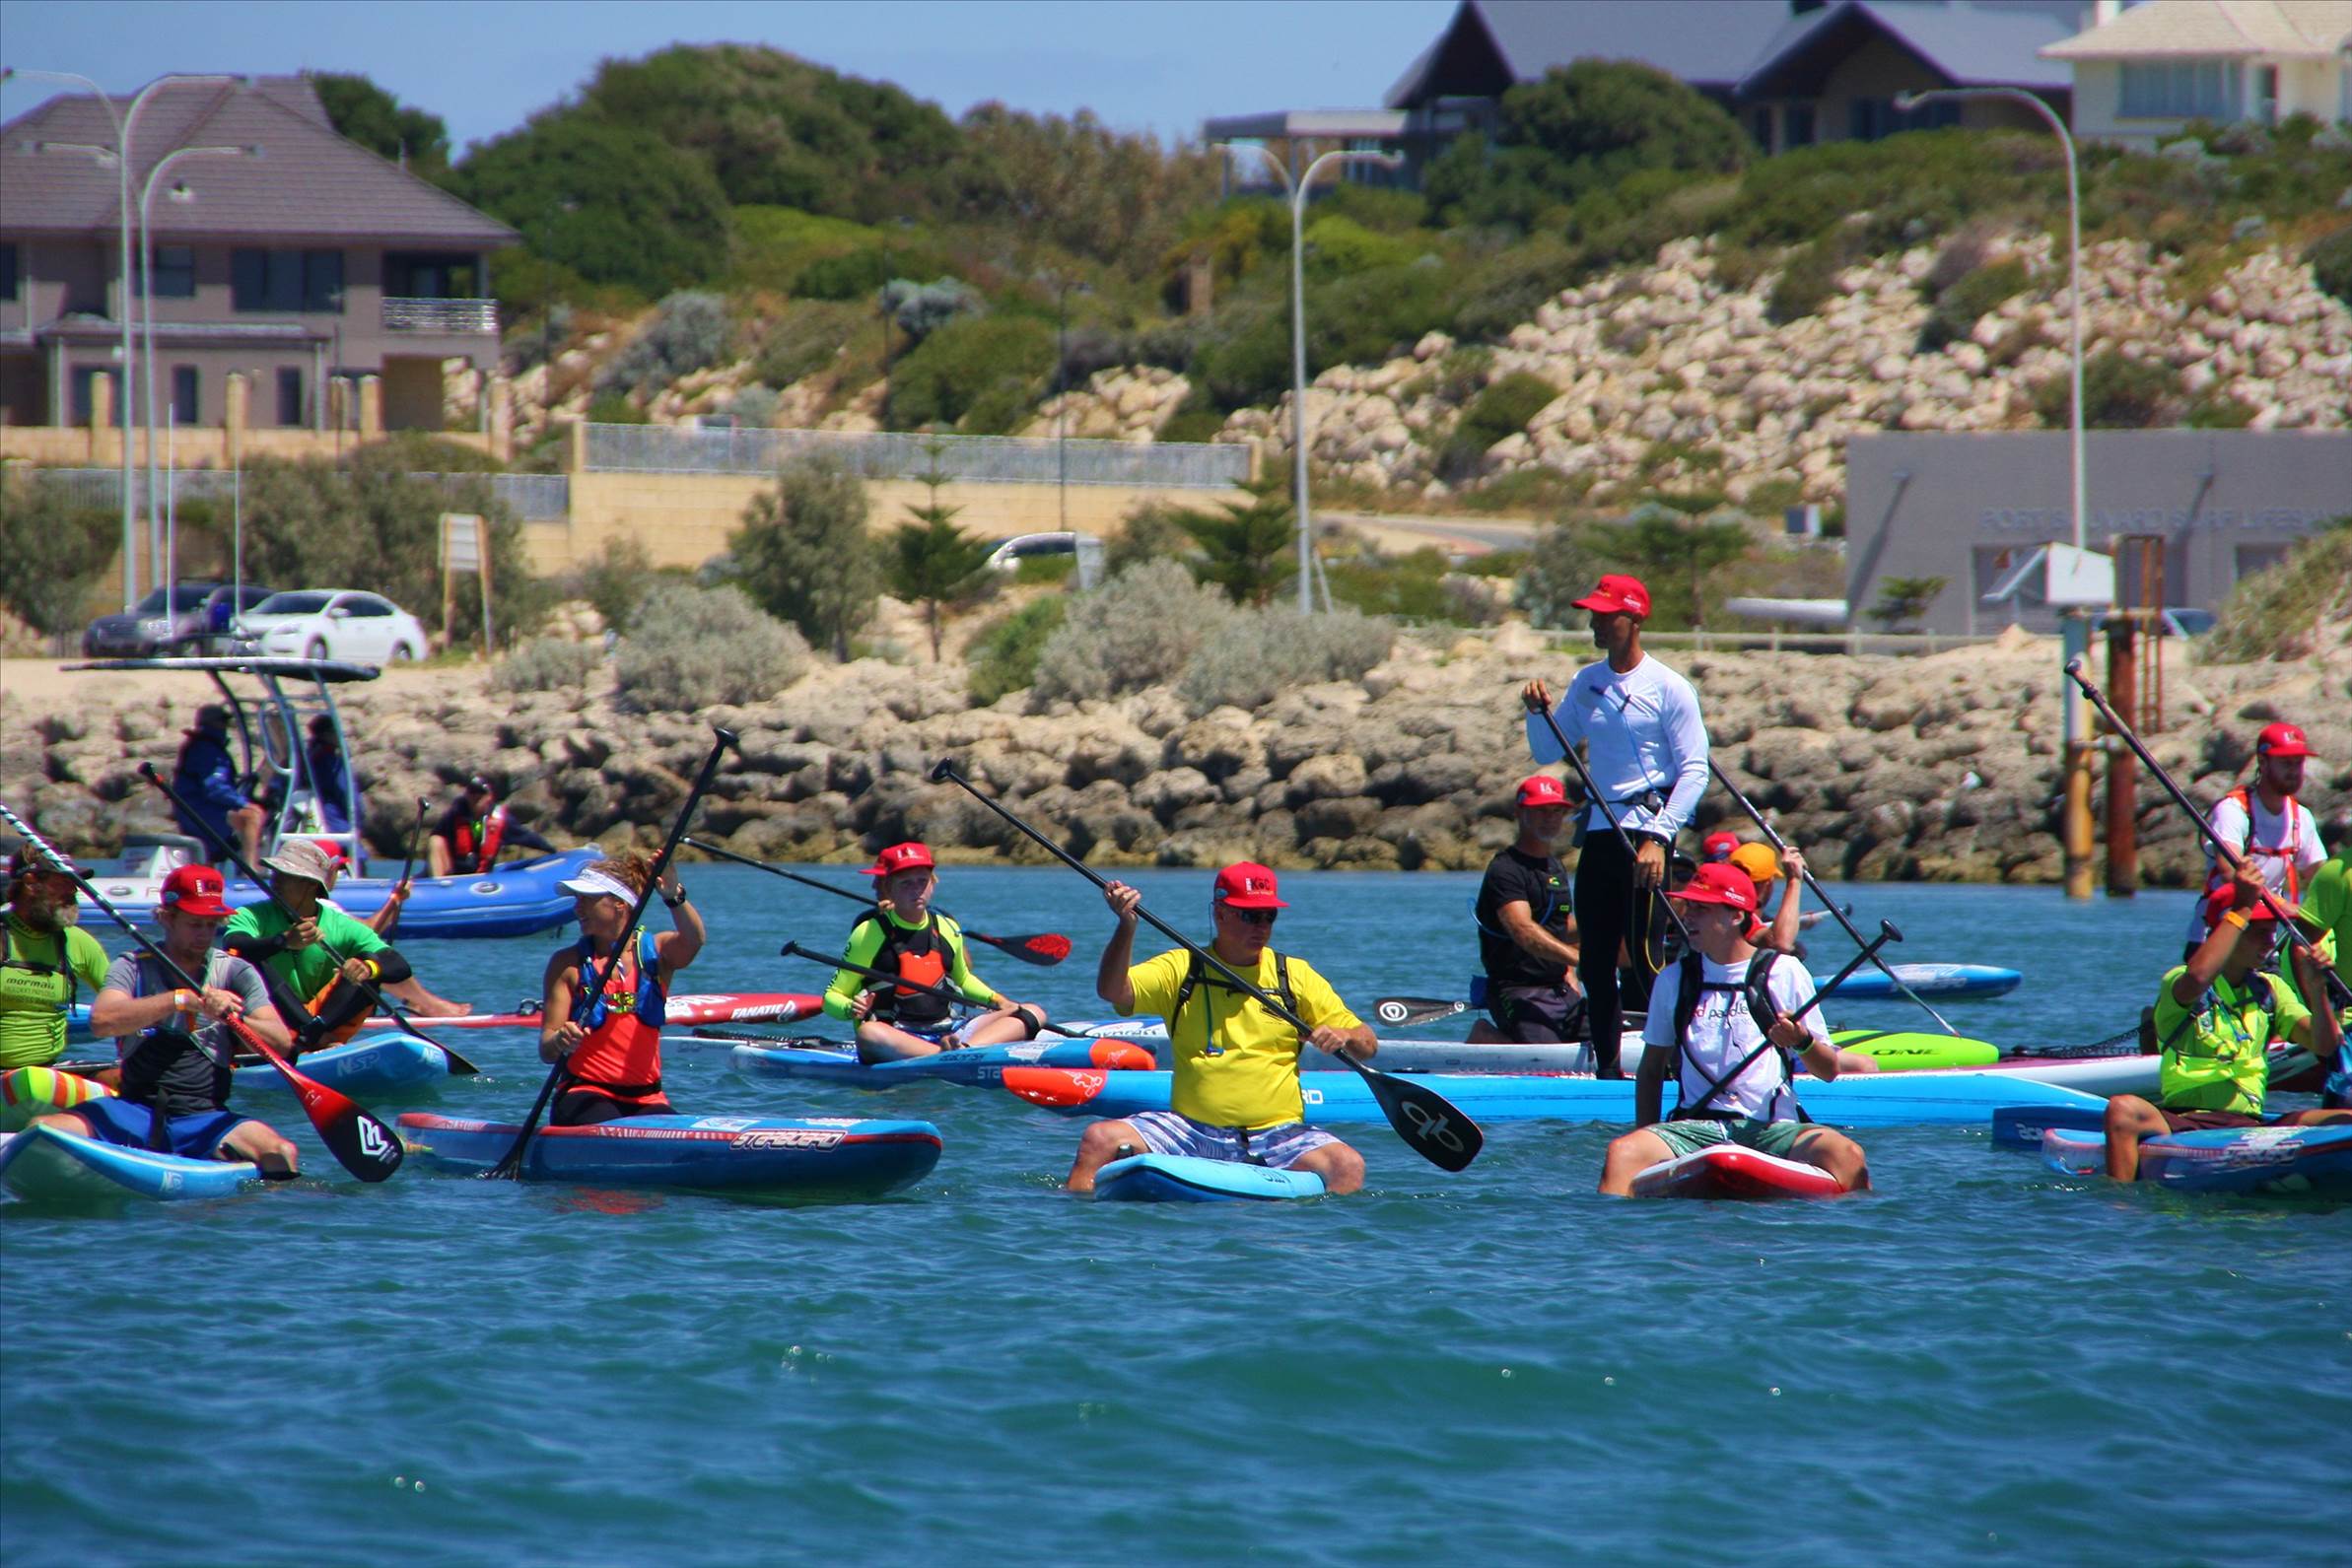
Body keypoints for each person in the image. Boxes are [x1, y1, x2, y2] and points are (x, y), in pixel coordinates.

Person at [1068, 862, 1377, 1194]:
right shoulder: (1182, 968)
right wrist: (1126, 927)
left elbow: (1368, 1044)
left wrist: (1344, 1036)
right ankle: (1077, 1217)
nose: (1261, 926)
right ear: (1220, 913)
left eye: (1269, 916)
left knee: (1348, 1164)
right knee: (1098, 1139)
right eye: (1250, 916)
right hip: (1190, 1130)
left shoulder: (1294, 976)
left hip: (1278, 1134)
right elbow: (1112, 991)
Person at [1521, 572, 1709, 1079]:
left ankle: (1678, 1069)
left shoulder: (1670, 687)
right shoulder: (1587, 682)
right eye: (1593, 616)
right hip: (1602, 832)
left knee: (1646, 960)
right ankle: (1608, 1073)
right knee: (1596, 962)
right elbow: (1546, 749)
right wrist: (1536, 712)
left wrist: (1660, 837)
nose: (1595, 624)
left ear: (1634, 618)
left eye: (1606, 616)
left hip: (1647, 834)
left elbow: (1695, 771)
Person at [1598, 862, 1869, 1196]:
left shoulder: (1785, 972)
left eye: (1701, 909)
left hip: (1773, 1129)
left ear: (1736, 915)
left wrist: (1801, 1041)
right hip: (1693, 1128)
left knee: (1849, 1155)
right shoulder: (1673, 979)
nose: (1687, 916)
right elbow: (1651, 1069)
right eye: (1688, 906)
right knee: (1621, 1153)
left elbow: (1828, 1071)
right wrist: (1648, 1139)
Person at [33, 865, 300, 1176]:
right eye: (194, 924)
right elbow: (102, 1021)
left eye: (211, 925)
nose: (204, 935)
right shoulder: (132, 966)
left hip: (204, 1118)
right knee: (42, 1131)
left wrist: (232, 1016)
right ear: (167, 918)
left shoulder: (236, 972)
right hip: (134, 1111)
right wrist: (179, 1000)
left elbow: (282, 1043)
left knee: (281, 1153)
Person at [2102, 864, 2350, 1181]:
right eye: (2258, 932)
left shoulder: (2271, 989)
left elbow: (2326, 1046)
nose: (2269, 941)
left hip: (2250, 1123)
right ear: (2228, 929)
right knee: (2122, 1109)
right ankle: (2121, 1200)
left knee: (2345, 1119)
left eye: (2271, 932)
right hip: (2186, 1120)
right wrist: (2243, 907)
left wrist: (2317, 990)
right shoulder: (2180, 981)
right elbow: (2198, 976)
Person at [822, 842, 1047, 1061]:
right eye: (906, 883)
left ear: (933, 883)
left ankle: (965, 1050)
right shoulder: (868, 932)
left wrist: (999, 1000)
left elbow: (963, 979)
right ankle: (946, 1055)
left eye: (922, 881)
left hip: (950, 1031)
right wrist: (850, 1008)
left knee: (1033, 1011)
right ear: (889, 887)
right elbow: (831, 997)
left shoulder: (947, 926)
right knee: (868, 1033)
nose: (916, 890)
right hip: (897, 1035)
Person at [537, 852, 703, 1125]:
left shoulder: (657, 953)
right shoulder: (566, 964)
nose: (577, 908)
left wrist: (673, 897)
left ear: (619, 904)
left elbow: (694, 940)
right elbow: (546, 1049)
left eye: (587, 899)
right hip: (585, 1094)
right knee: (621, 1128)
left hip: (648, 1099)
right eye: (577, 899)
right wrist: (560, 1040)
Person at [220, 839, 414, 1051]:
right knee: (250, 958)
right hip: (269, 1018)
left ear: (311, 884)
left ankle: (313, 1034)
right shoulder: (251, 915)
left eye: (286, 876)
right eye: (275, 873)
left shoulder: (340, 925)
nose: (275, 881)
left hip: (323, 1021)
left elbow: (399, 965)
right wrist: (283, 941)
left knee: (366, 968)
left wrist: (368, 968)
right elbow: (234, 945)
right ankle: (312, 1037)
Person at [2182, 721, 2326, 961]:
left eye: (2298, 763)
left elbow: (2321, 879)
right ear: (2263, 762)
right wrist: (2283, 905)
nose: (2294, 771)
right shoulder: (2232, 810)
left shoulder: (2302, 817)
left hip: (2264, 943)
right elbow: (2231, 874)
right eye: (2285, 763)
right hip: (2217, 936)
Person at [1468, 776, 1584, 1045]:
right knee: (1548, 1060)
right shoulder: (1506, 869)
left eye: (1556, 811)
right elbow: (1523, 931)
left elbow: (1562, 926)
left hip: (1559, 988)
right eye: (1541, 811)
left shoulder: (1555, 867)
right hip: (1515, 990)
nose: (1550, 818)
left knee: (1609, 1040)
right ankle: (1485, 1036)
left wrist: (1571, 969)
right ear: (1520, 813)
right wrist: (1583, 960)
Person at [314, 844, 472, 1018]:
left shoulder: (314, 903)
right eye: (339, 869)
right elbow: (368, 930)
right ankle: (427, 1005)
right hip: (321, 985)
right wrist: (395, 898)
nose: (339, 875)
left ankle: (419, 1002)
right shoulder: (322, 905)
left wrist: (396, 901)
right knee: (376, 957)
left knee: (365, 955)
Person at [0, 845, 111, 1072]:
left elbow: (123, 1005)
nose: (74, 890)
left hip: (48, 1075)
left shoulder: (78, 942)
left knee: (118, 1078)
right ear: (31, 883)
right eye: (64, 881)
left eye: (75, 881)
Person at [171, 703, 265, 868]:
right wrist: (243, 803)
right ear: (211, 723)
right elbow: (214, 788)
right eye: (223, 721)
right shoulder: (207, 749)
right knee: (252, 815)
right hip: (200, 811)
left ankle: (217, 866)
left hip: (193, 808)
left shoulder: (203, 745)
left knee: (246, 814)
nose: (225, 726)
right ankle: (250, 870)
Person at [428, 776, 555, 879]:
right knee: (436, 840)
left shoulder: (501, 820)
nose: (475, 796)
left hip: (480, 877)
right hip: (454, 875)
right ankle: (438, 886)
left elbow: (526, 836)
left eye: (480, 793)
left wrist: (551, 850)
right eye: (472, 792)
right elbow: (437, 838)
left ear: (489, 797)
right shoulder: (454, 814)